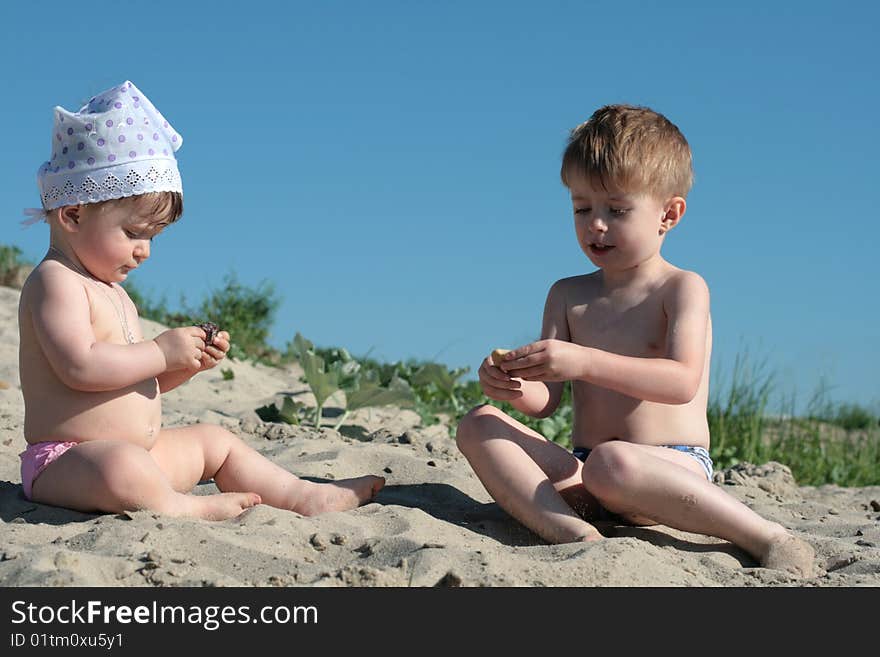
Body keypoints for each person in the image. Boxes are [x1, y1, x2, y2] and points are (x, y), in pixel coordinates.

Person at [456, 104, 815, 577]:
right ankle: (577, 535)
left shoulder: (681, 287)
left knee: (614, 463)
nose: (595, 224)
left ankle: (766, 536)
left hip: (667, 468)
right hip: (586, 471)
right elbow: (547, 401)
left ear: (669, 213)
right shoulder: (567, 295)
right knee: (479, 424)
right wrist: (512, 385)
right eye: (582, 208)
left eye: (617, 210)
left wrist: (582, 360)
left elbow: (681, 382)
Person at [18, 80, 384, 520]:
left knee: (215, 440)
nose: (144, 251)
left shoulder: (115, 294)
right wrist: (158, 351)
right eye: (133, 233)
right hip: (68, 461)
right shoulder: (55, 282)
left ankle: (301, 494)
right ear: (74, 214)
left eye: (152, 238)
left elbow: (131, 384)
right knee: (124, 466)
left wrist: (179, 366)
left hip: (141, 454)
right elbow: (80, 367)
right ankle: (182, 508)